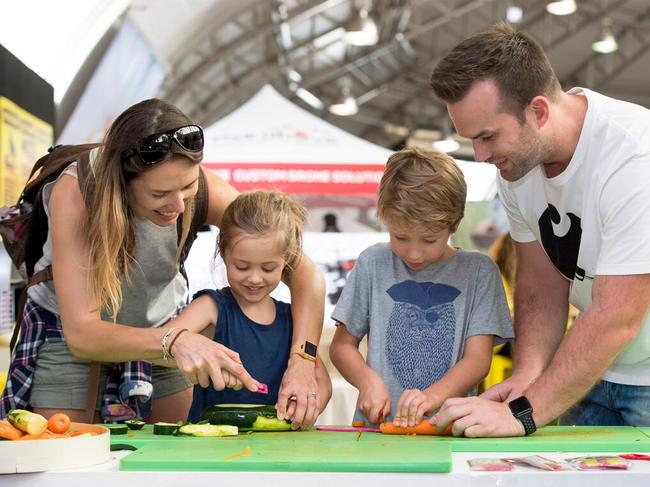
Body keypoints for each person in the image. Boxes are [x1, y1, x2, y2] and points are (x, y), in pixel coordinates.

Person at [0, 99, 325, 427]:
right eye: (159, 194)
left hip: (161, 328)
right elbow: (83, 335)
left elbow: (308, 276)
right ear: (123, 182)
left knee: (181, 448)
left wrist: (303, 360)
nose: (178, 206)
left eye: (188, 187)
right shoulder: (78, 193)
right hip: (69, 337)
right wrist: (174, 340)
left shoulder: (200, 187)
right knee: (70, 460)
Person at [430, 22, 650, 436]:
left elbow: (617, 317)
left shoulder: (635, 159)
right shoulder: (517, 168)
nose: (479, 155)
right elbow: (540, 282)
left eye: (487, 136)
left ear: (538, 111)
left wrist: (524, 412)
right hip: (589, 371)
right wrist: (528, 376)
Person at [329, 147, 513, 427]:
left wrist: (431, 398)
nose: (414, 253)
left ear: (454, 224)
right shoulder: (373, 263)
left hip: (447, 428)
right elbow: (342, 346)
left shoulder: (478, 272)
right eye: (400, 237)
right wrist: (367, 381)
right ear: (385, 219)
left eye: (429, 240)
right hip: (376, 430)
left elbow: (478, 359)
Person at [160, 190, 331, 427]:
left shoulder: (293, 320)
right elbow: (162, 341)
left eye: (268, 268)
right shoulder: (210, 307)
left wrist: (305, 406)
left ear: (286, 262)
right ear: (224, 254)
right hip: (211, 449)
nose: (254, 278)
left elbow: (321, 382)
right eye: (241, 267)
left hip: (278, 448)